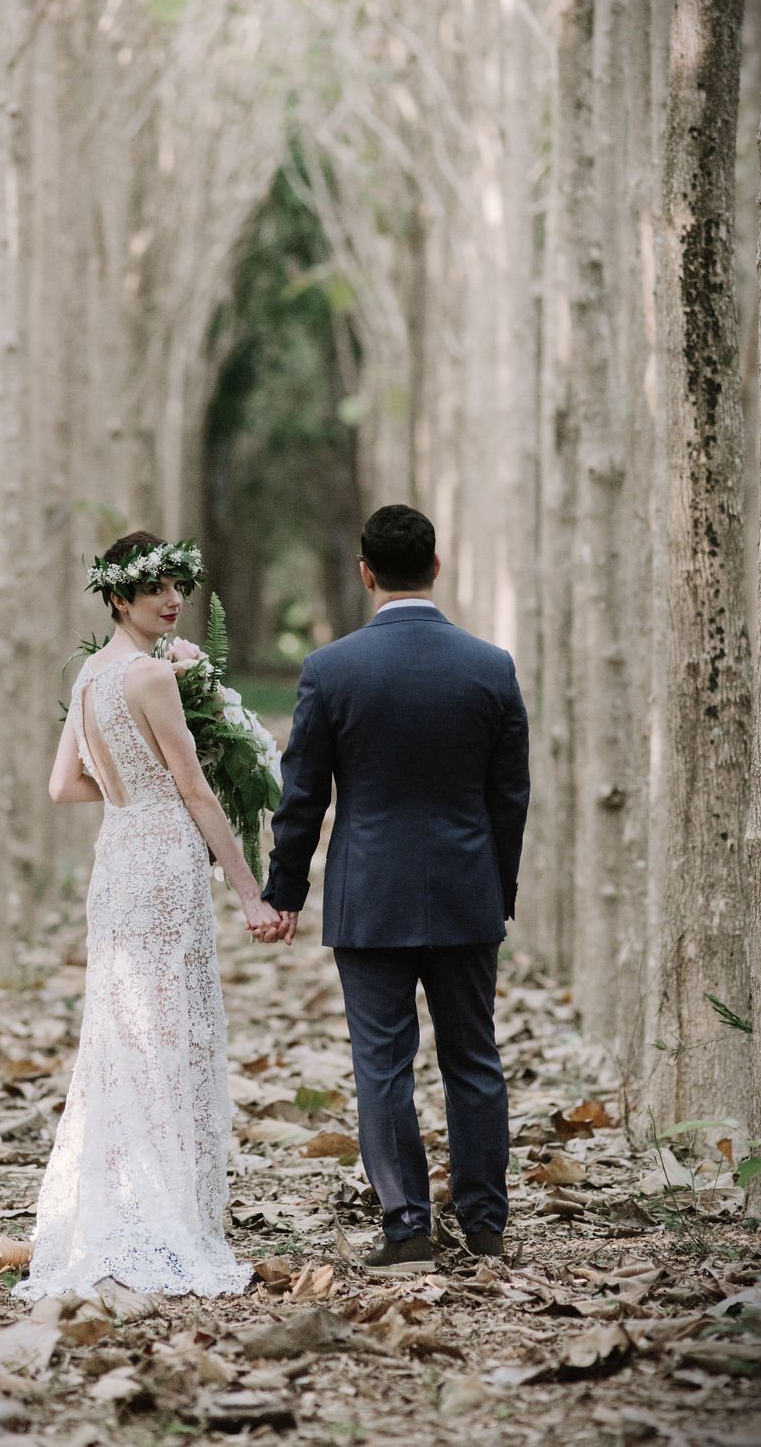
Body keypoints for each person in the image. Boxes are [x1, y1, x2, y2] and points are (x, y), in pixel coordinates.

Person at [18, 532, 285, 1301]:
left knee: (121, 1027)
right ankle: (164, 1217)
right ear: (117, 597)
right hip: (164, 857)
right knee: (169, 1026)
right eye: (155, 590)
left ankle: (117, 1208)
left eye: (178, 587)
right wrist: (247, 891)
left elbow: (64, 785)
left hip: (119, 854)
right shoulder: (151, 677)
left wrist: (131, 792)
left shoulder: (91, 678)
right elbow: (197, 789)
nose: (172, 601)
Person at [262, 504, 530, 1270]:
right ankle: (485, 1227)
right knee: (474, 1060)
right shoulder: (490, 666)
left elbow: (302, 794)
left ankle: (408, 1228)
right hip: (465, 892)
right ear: (436, 568)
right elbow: (510, 797)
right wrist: (495, 887)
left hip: (369, 897)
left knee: (381, 1066)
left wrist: (286, 892)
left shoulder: (332, 669)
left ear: (365, 573)